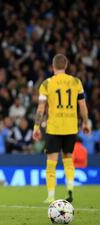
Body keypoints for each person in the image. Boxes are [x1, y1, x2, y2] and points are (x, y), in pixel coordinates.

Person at [32, 54, 91, 203]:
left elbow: (41, 108)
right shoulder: (76, 82)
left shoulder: (46, 84)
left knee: (51, 163)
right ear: (66, 65)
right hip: (71, 127)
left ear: (53, 66)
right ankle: (70, 189)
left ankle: (51, 195)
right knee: (68, 160)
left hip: (54, 128)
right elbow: (82, 106)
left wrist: (36, 127)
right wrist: (85, 123)